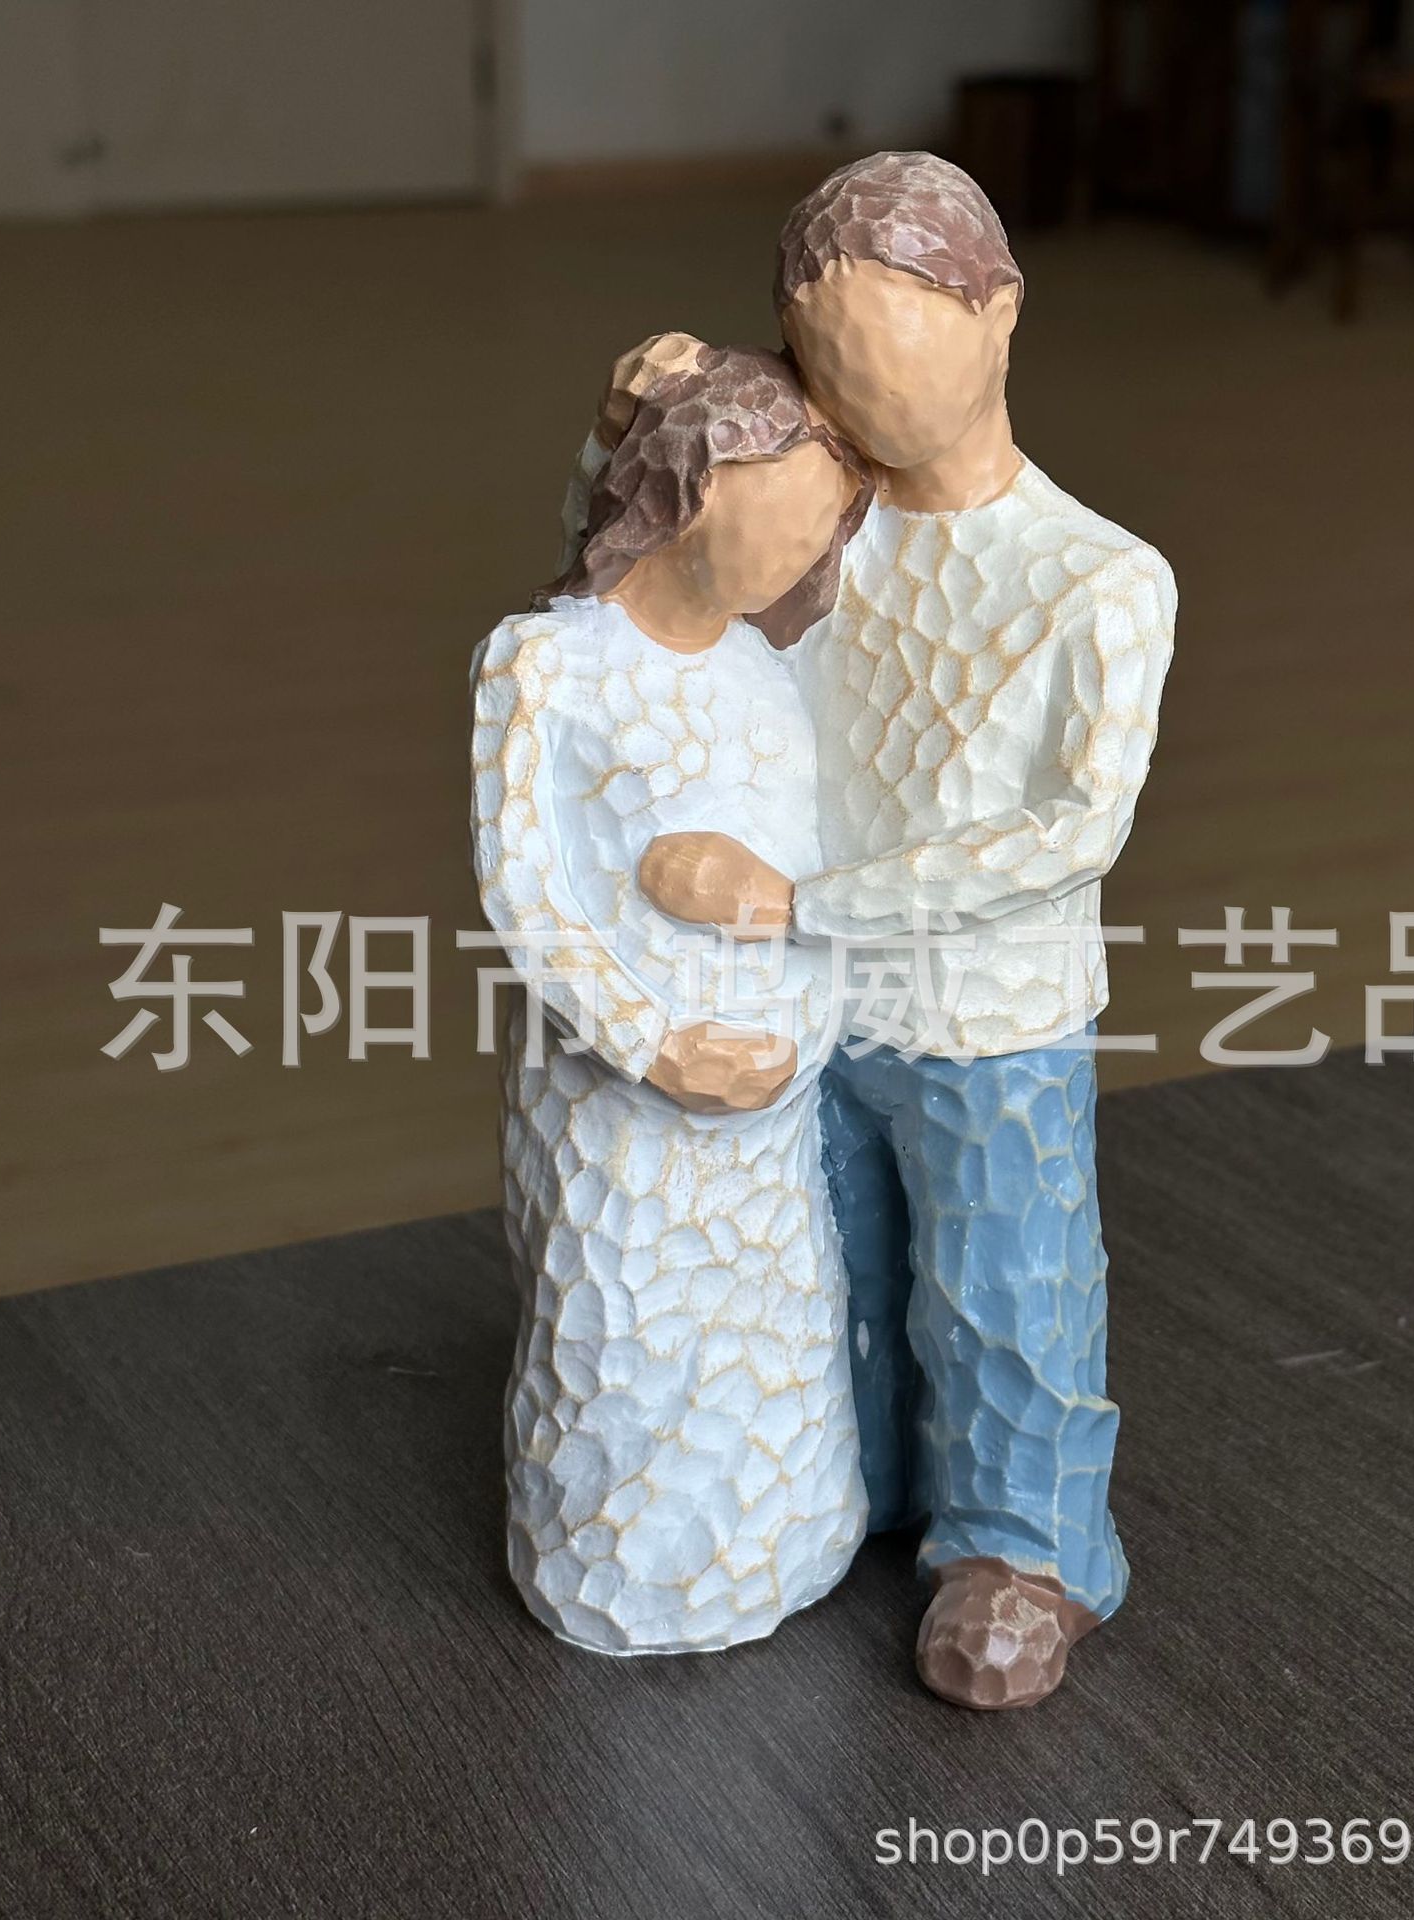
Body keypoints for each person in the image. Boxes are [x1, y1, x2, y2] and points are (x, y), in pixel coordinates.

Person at [639, 154, 1178, 1707]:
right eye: (826, 362)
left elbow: (1068, 835)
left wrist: (805, 902)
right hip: (814, 1004)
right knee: (831, 1271)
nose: (861, 397)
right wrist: (649, 445)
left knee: (1005, 1286)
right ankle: (848, 1481)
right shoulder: (822, 529)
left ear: (1000, 313)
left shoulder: (1099, 581)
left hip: (988, 1016)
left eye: (894, 348)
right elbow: (648, 600)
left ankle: (1024, 1548)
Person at [470, 345, 868, 1654]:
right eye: (786, 525)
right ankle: (616, 1568)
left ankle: (789, 1541)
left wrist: (802, 1032)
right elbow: (530, 896)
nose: (803, 559)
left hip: (768, 1106)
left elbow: (812, 871)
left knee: (776, 1332)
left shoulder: (764, 673)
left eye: (819, 531)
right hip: (621, 1111)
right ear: (689, 499)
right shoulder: (545, 665)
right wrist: (656, 1044)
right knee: (622, 1345)